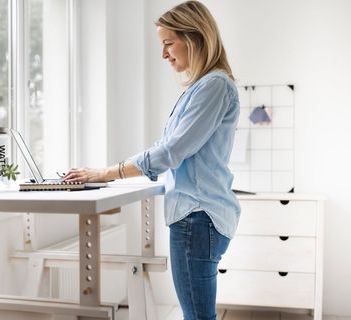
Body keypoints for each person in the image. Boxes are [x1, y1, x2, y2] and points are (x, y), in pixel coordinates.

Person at [63, 1, 240, 319]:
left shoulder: (213, 86)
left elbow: (171, 152)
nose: (164, 54)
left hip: (197, 216)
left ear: (194, 37)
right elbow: (169, 147)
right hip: (197, 216)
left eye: (168, 43)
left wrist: (106, 173)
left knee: (198, 317)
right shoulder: (201, 87)